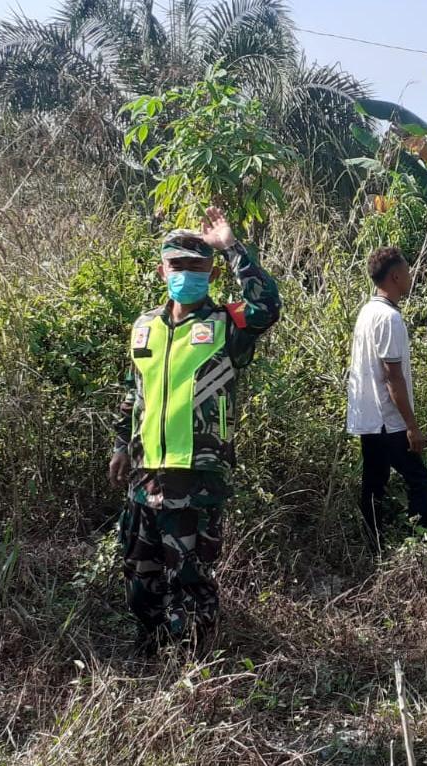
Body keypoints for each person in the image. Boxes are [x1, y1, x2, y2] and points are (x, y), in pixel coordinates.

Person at [108, 206, 280, 653]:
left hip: (196, 475)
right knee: (140, 572)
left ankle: (194, 663)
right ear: (162, 267)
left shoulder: (227, 323)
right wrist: (120, 446)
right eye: (177, 265)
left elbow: (268, 305)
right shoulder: (144, 327)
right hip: (145, 474)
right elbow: (134, 389)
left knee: (190, 575)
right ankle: (150, 652)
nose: (186, 273)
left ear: (210, 272)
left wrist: (231, 247)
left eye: (196, 266)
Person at [346, 246, 427, 550]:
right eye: (407, 272)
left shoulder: (368, 311)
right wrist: (412, 426)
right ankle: (418, 548)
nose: (410, 277)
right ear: (395, 276)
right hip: (388, 421)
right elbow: (392, 377)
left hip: (369, 418)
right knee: (418, 480)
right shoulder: (389, 318)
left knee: (374, 483)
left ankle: (375, 548)